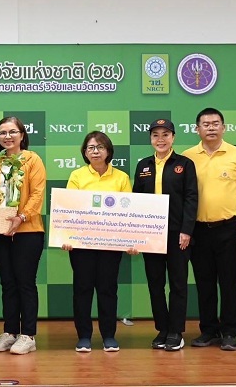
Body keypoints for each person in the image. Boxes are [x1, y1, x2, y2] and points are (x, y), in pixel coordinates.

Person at [182, 108, 236, 351]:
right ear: (197, 129)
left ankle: (230, 332)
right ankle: (209, 330)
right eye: (206, 124)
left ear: (223, 127)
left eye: (215, 123)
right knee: (204, 283)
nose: (211, 127)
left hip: (229, 228)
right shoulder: (187, 157)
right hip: (198, 230)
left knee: (230, 282)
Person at [131, 119, 198, 352]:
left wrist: (187, 230)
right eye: (155, 135)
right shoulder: (143, 165)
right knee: (155, 284)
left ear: (173, 137)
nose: (160, 139)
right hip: (151, 235)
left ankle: (176, 331)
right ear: (150, 138)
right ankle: (162, 328)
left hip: (177, 234)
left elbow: (191, 198)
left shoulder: (185, 164)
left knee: (178, 283)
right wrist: (137, 235)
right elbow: (136, 201)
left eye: (165, 135)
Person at [62, 131, 132, 353]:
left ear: (108, 151)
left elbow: (129, 213)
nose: (95, 151)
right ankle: (84, 336)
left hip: (111, 245)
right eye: (90, 147)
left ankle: (109, 335)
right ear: (84, 152)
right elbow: (69, 209)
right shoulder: (77, 175)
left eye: (100, 147)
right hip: (82, 245)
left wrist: (131, 240)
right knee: (82, 289)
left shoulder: (121, 177)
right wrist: (67, 237)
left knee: (108, 289)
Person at [0, 117, 47, 355]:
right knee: (8, 283)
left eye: (12, 132)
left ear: (22, 135)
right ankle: (10, 332)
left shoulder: (33, 159)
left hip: (28, 231)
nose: (7, 136)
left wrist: (21, 217)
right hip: (2, 230)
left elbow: (37, 194)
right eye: (2, 132)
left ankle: (28, 335)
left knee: (25, 283)